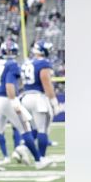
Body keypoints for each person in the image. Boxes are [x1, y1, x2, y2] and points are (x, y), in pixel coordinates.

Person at [0, 40, 42, 170]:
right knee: (26, 129)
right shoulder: (12, 65)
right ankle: (38, 160)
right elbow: (9, 85)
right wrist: (14, 100)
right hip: (7, 99)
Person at [20, 40, 61, 168]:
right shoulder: (43, 63)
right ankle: (41, 158)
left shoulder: (27, 63)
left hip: (26, 96)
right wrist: (54, 102)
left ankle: (22, 148)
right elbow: (46, 82)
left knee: (33, 129)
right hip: (38, 98)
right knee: (42, 129)